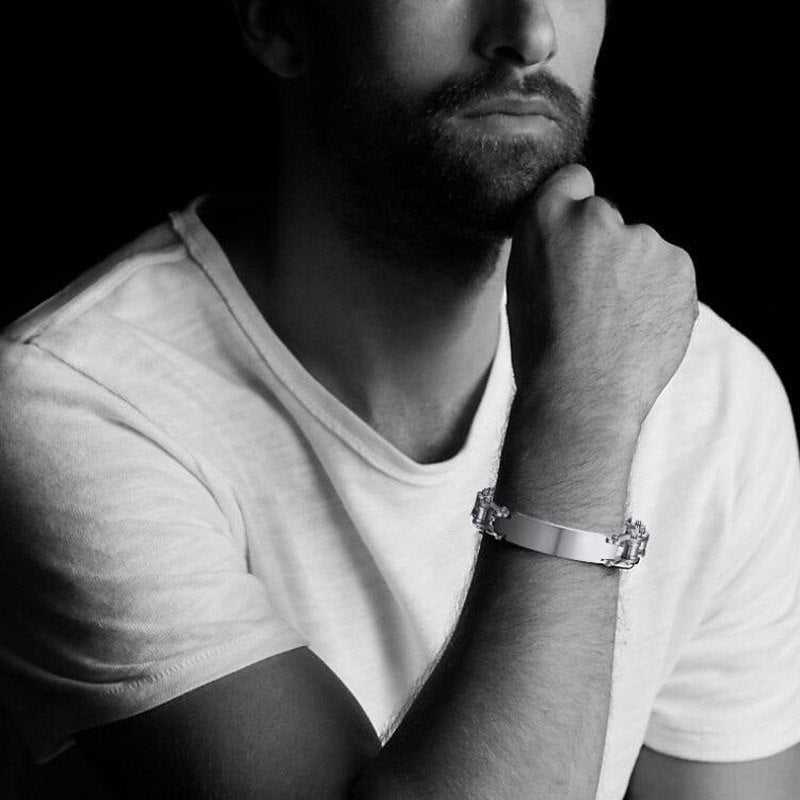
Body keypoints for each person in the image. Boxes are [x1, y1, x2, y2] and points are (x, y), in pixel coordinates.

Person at [1, 1, 799, 798]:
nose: (532, 33)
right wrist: (581, 420)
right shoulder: (77, 403)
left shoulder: (713, 397)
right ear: (277, 20)